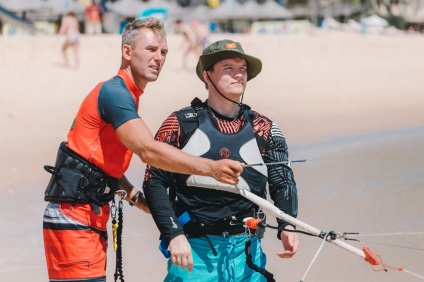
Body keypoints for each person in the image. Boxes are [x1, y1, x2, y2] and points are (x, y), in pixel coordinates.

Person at [42, 19, 243, 282]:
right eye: (151, 50)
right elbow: (148, 151)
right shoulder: (114, 93)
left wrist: (139, 201)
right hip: (73, 217)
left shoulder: (128, 95)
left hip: (87, 216)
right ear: (127, 52)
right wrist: (211, 168)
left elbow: (103, 167)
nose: (158, 58)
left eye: (164, 52)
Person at [143, 39, 299, 281]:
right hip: (195, 252)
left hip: (248, 252)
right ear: (207, 75)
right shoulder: (179, 124)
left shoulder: (265, 128)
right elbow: (153, 182)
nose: (238, 75)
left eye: (242, 69)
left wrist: (287, 225)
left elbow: (282, 180)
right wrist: (174, 235)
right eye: (228, 68)